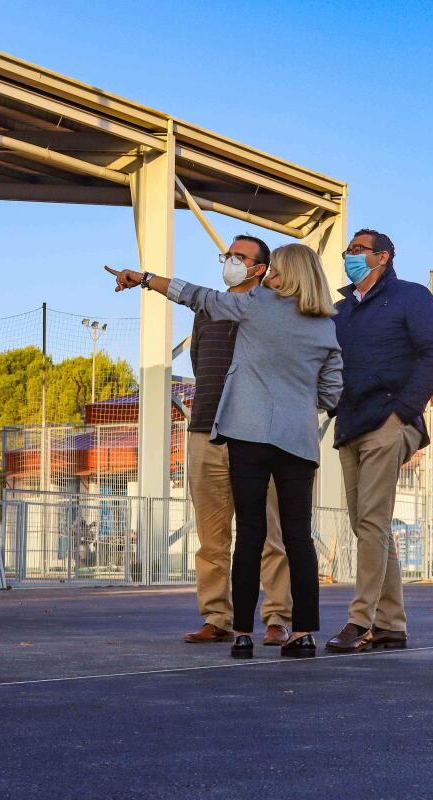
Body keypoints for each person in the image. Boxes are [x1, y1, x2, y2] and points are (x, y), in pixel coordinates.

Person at [104, 243, 341, 659]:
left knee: (249, 535)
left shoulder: (254, 305)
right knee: (296, 537)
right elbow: (331, 393)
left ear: (278, 272)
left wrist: (144, 278)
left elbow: (194, 294)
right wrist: (294, 401)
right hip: (298, 442)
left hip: (246, 434)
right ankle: (302, 632)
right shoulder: (325, 326)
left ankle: (244, 633)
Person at [324, 229, 433, 653]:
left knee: (372, 523)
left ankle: (359, 621)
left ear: (383, 257)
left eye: (358, 250)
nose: (350, 256)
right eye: (349, 250)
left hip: (387, 422)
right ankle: (391, 624)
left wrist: (402, 412)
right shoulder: (340, 312)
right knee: (370, 526)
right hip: (350, 425)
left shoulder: (409, 298)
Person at [183, 235, 293, 647]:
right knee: (211, 536)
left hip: (257, 435)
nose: (230, 261)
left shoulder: (275, 309)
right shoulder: (207, 308)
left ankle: (278, 617)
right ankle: (217, 616)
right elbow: (200, 363)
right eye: (228, 255)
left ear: (261, 268)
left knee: (268, 532)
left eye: (240, 256)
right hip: (205, 431)